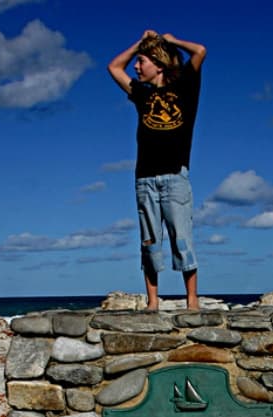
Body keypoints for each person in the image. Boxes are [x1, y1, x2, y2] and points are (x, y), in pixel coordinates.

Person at [108, 30, 206, 310]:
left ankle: (192, 300)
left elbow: (199, 50)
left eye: (141, 61)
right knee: (149, 241)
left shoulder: (186, 89)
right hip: (145, 179)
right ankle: (153, 302)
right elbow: (114, 67)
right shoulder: (142, 95)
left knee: (182, 239)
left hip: (175, 176)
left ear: (158, 64)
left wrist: (171, 41)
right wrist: (139, 44)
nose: (136, 67)